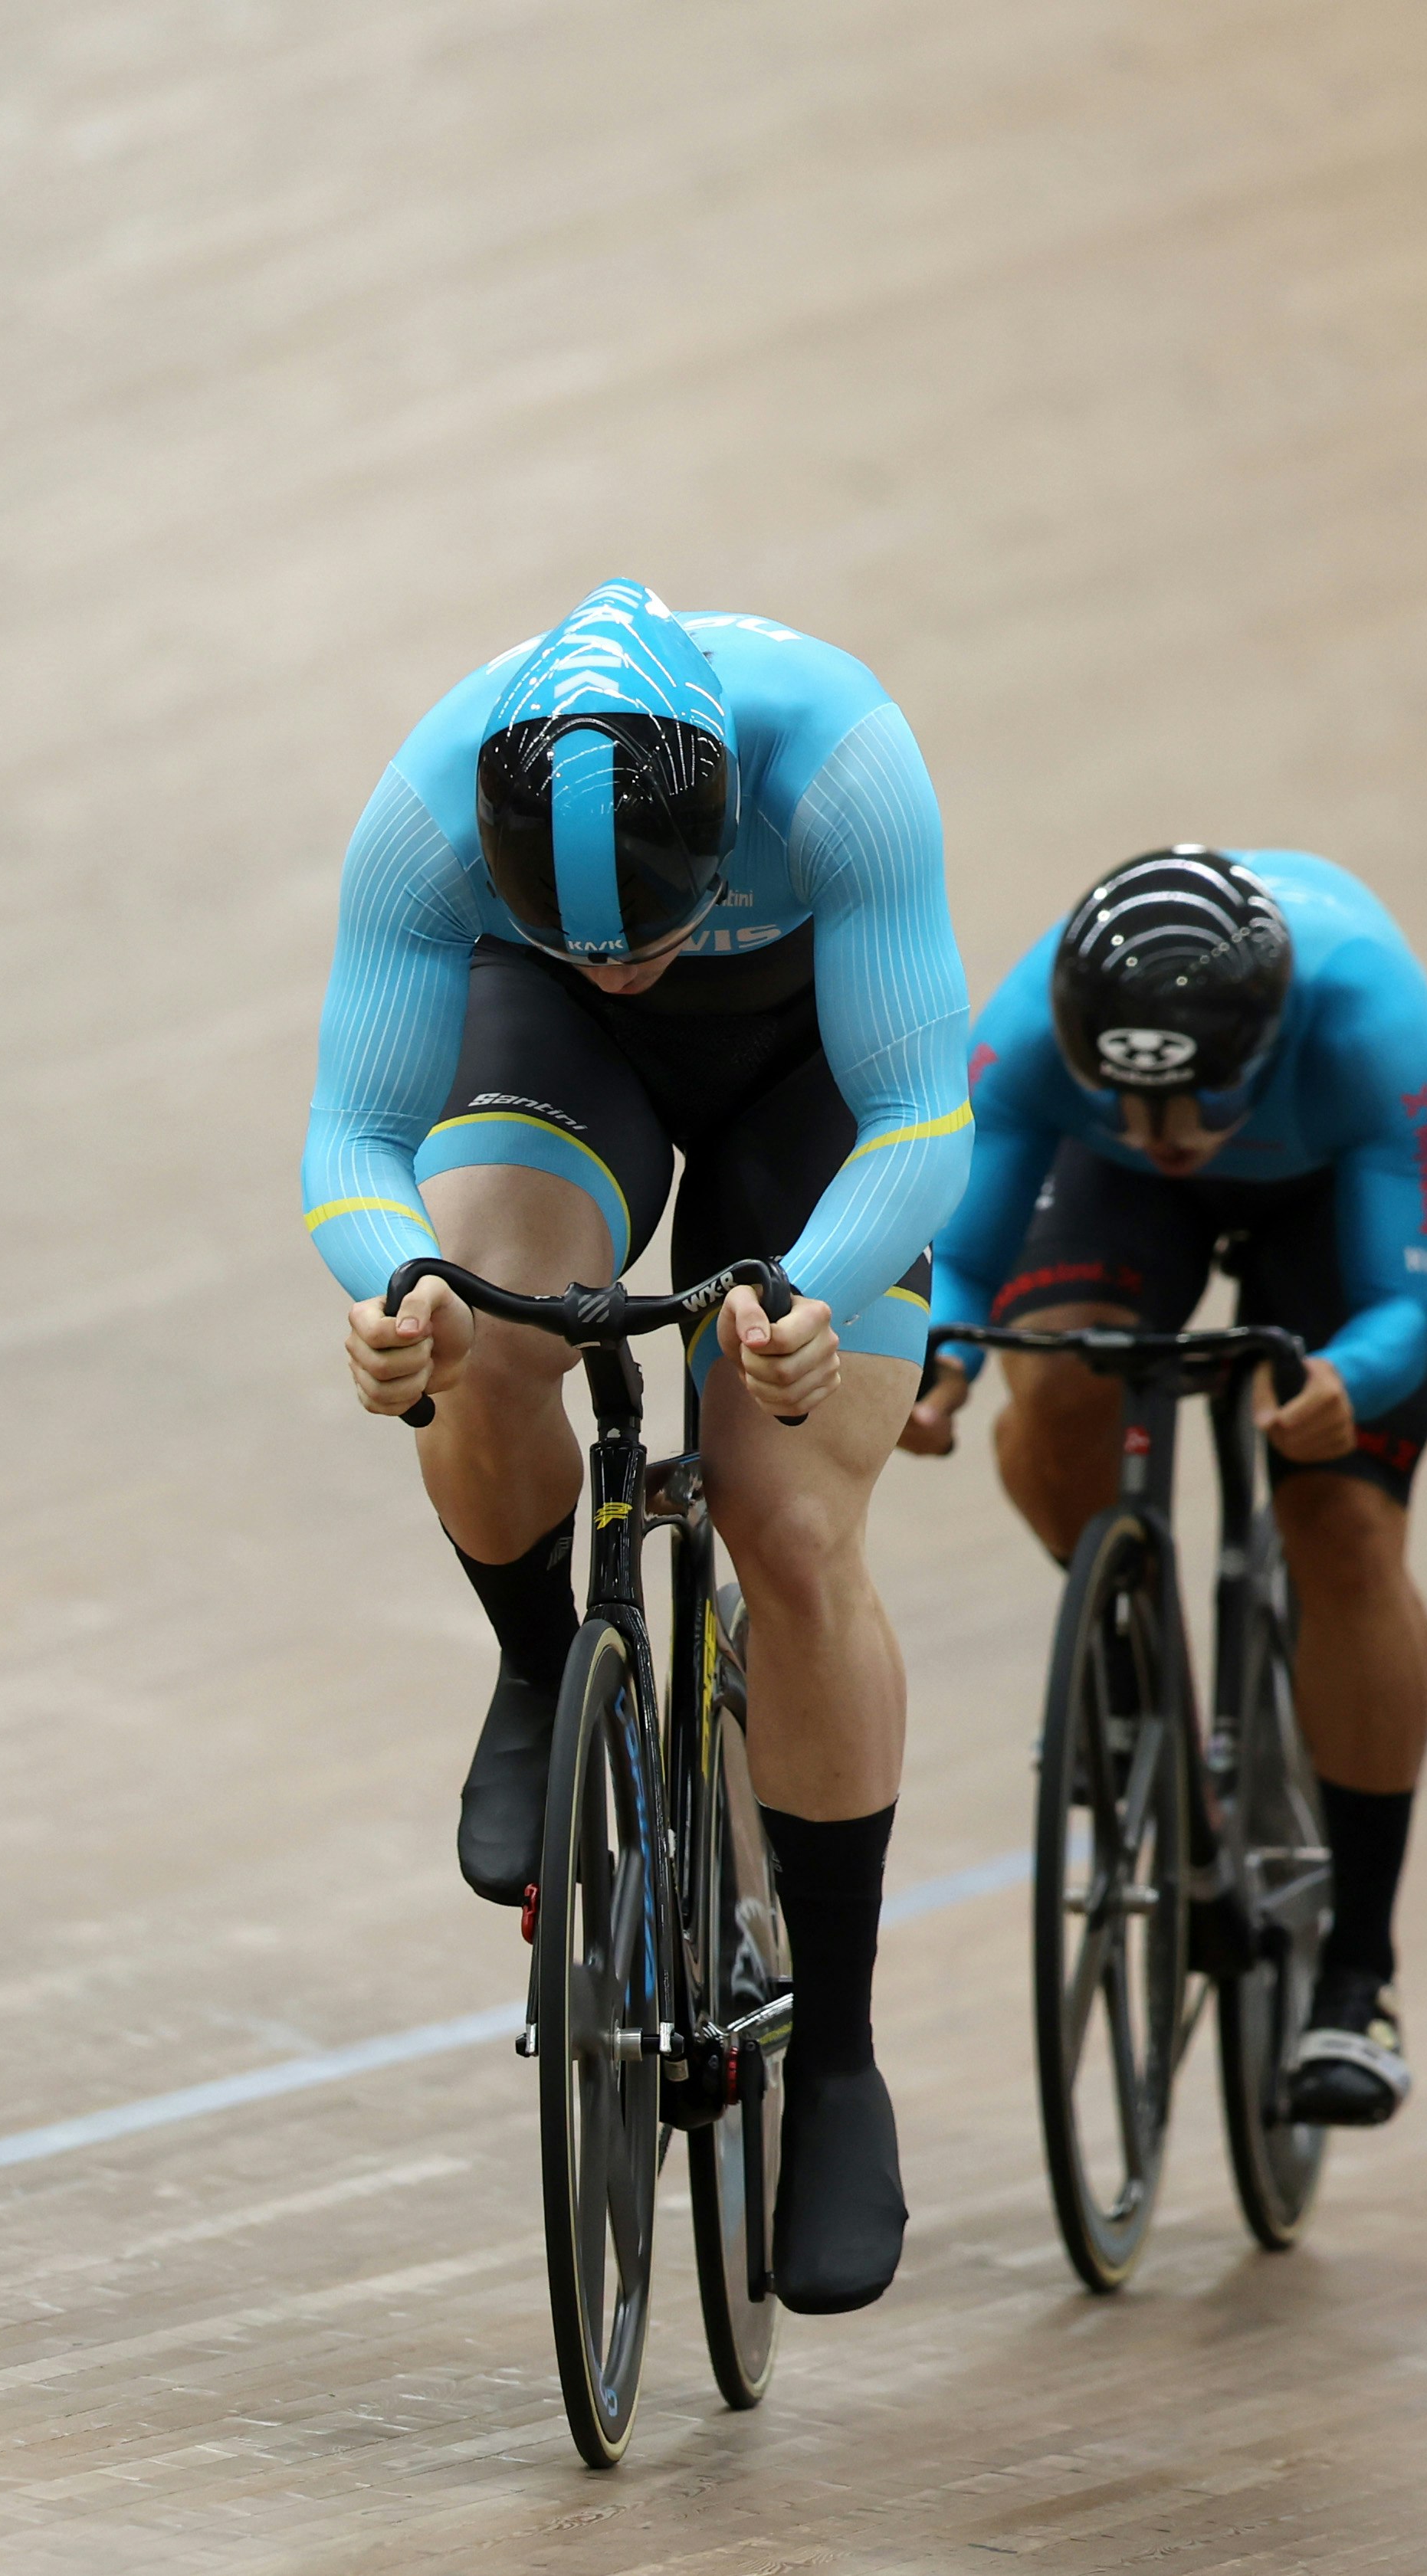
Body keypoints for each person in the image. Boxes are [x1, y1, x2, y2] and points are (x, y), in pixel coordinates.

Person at [303, 582, 973, 2314]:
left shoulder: (838, 762)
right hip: (564, 1067)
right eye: (581, 932)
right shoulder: (434, 797)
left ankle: (835, 2059)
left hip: (811, 1072)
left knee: (787, 1522)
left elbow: (920, 1109)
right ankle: (544, 1664)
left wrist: (812, 1291)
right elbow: (354, 1131)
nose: (622, 958)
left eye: (648, 926)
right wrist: (390, 1290)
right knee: (484, 1325)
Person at [903, 847, 1427, 2127]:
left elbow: (1397, 1306)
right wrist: (940, 1366)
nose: (1170, 1135)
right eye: (1133, 1101)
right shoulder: (1031, 1025)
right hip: (1119, 1208)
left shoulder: (1368, 1020)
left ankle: (1357, 1972)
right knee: (1058, 1389)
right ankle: (1141, 1672)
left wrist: (1343, 1383)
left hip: (1328, 1202)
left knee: (1342, 1524)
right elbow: (965, 1265)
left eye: (1200, 1102)